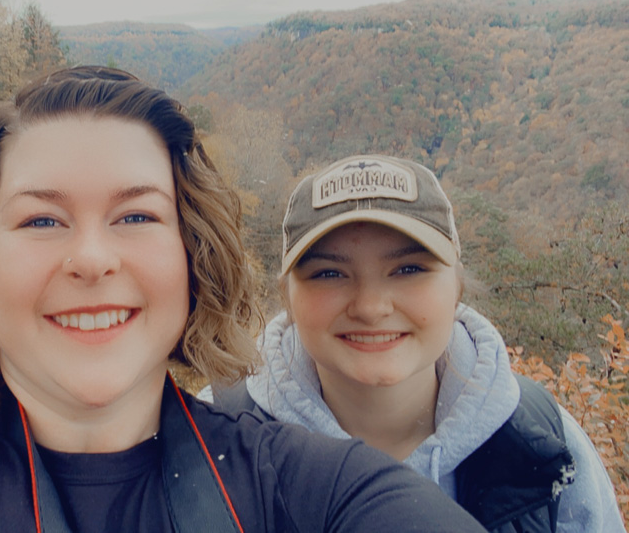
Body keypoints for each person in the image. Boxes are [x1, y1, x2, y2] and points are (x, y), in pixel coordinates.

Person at [0, 68, 487, 532]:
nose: (92, 259)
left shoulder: (317, 488)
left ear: (192, 255)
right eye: (42, 219)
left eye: (136, 216)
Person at [204, 154, 625, 532]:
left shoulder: (542, 445)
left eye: (408, 268)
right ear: (287, 298)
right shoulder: (211, 438)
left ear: (456, 286)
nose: (370, 307)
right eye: (329, 273)